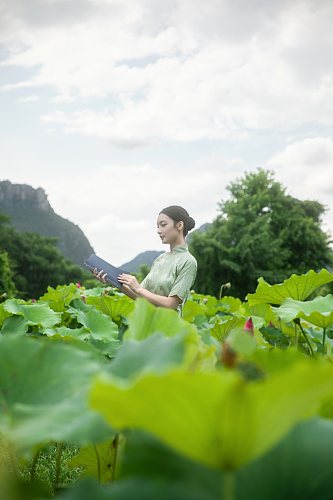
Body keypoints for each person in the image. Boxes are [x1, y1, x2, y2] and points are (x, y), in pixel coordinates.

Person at [94, 205, 197, 315]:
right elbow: (140, 297)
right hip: (147, 325)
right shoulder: (160, 259)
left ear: (179, 225)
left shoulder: (188, 262)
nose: (158, 230)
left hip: (168, 328)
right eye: (157, 226)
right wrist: (112, 281)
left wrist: (138, 288)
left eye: (163, 225)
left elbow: (171, 303)